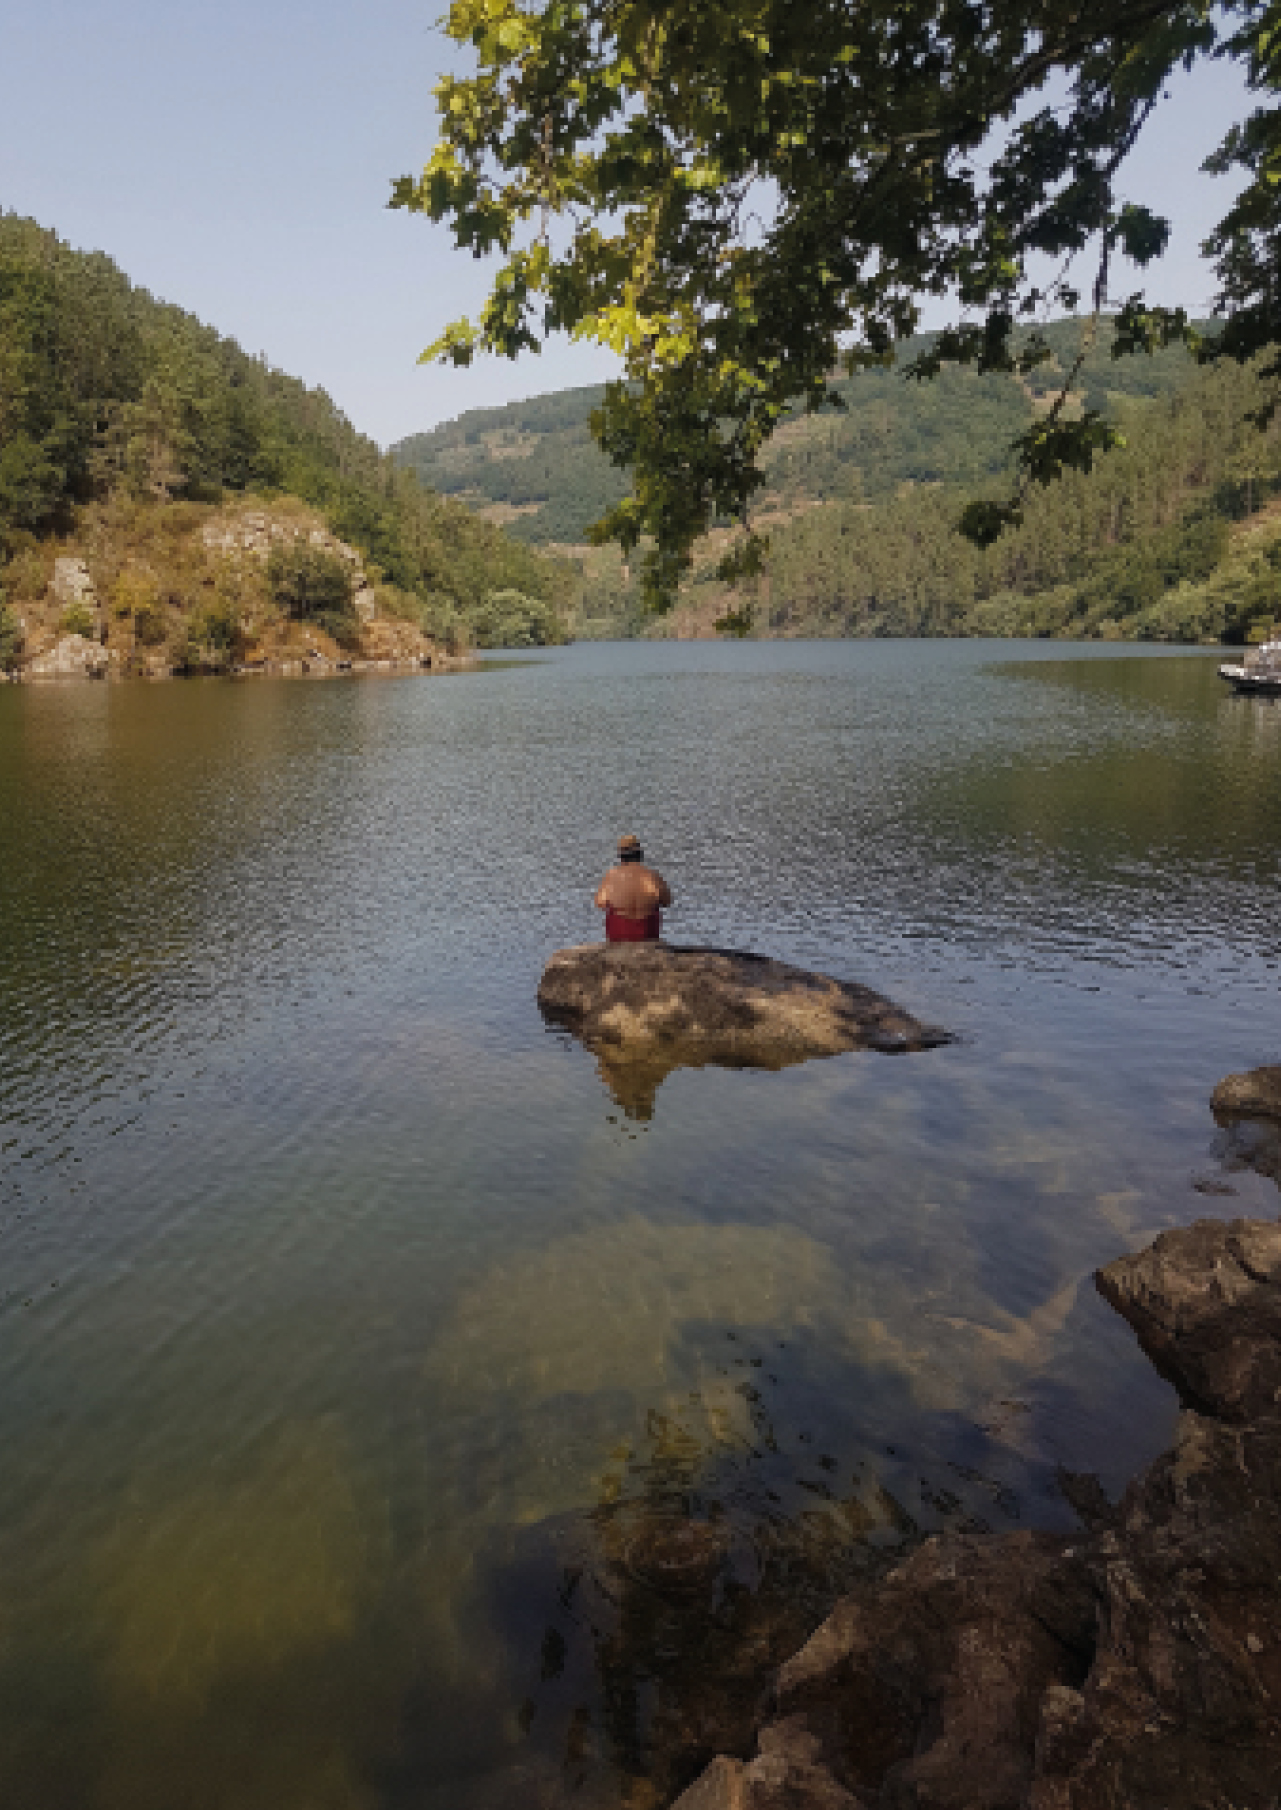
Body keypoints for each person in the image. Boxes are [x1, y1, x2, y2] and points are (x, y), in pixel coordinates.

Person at [594, 834, 672, 942]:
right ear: (640, 855)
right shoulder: (653, 876)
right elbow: (667, 902)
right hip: (648, 933)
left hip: (619, 934)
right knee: (655, 908)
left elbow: (600, 903)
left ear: (621, 856)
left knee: (611, 909)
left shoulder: (612, 876)